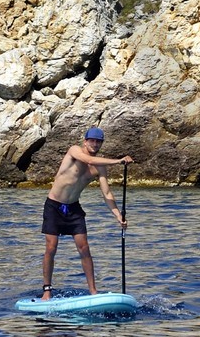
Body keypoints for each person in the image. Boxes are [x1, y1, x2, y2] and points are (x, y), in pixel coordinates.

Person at [39, 126, 132, 299]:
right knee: (51, 247)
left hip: (73, 208)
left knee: (84, 248)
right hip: (54, 206)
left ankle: (93, 291)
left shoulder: (99, 167)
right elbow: (84, 157)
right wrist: (118, 161)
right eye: (92, 140)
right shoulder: (74, 151)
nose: (95, 144)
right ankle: (47, 290)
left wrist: (119, 216)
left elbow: (107, 194)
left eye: (99, 142)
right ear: (85, 141)